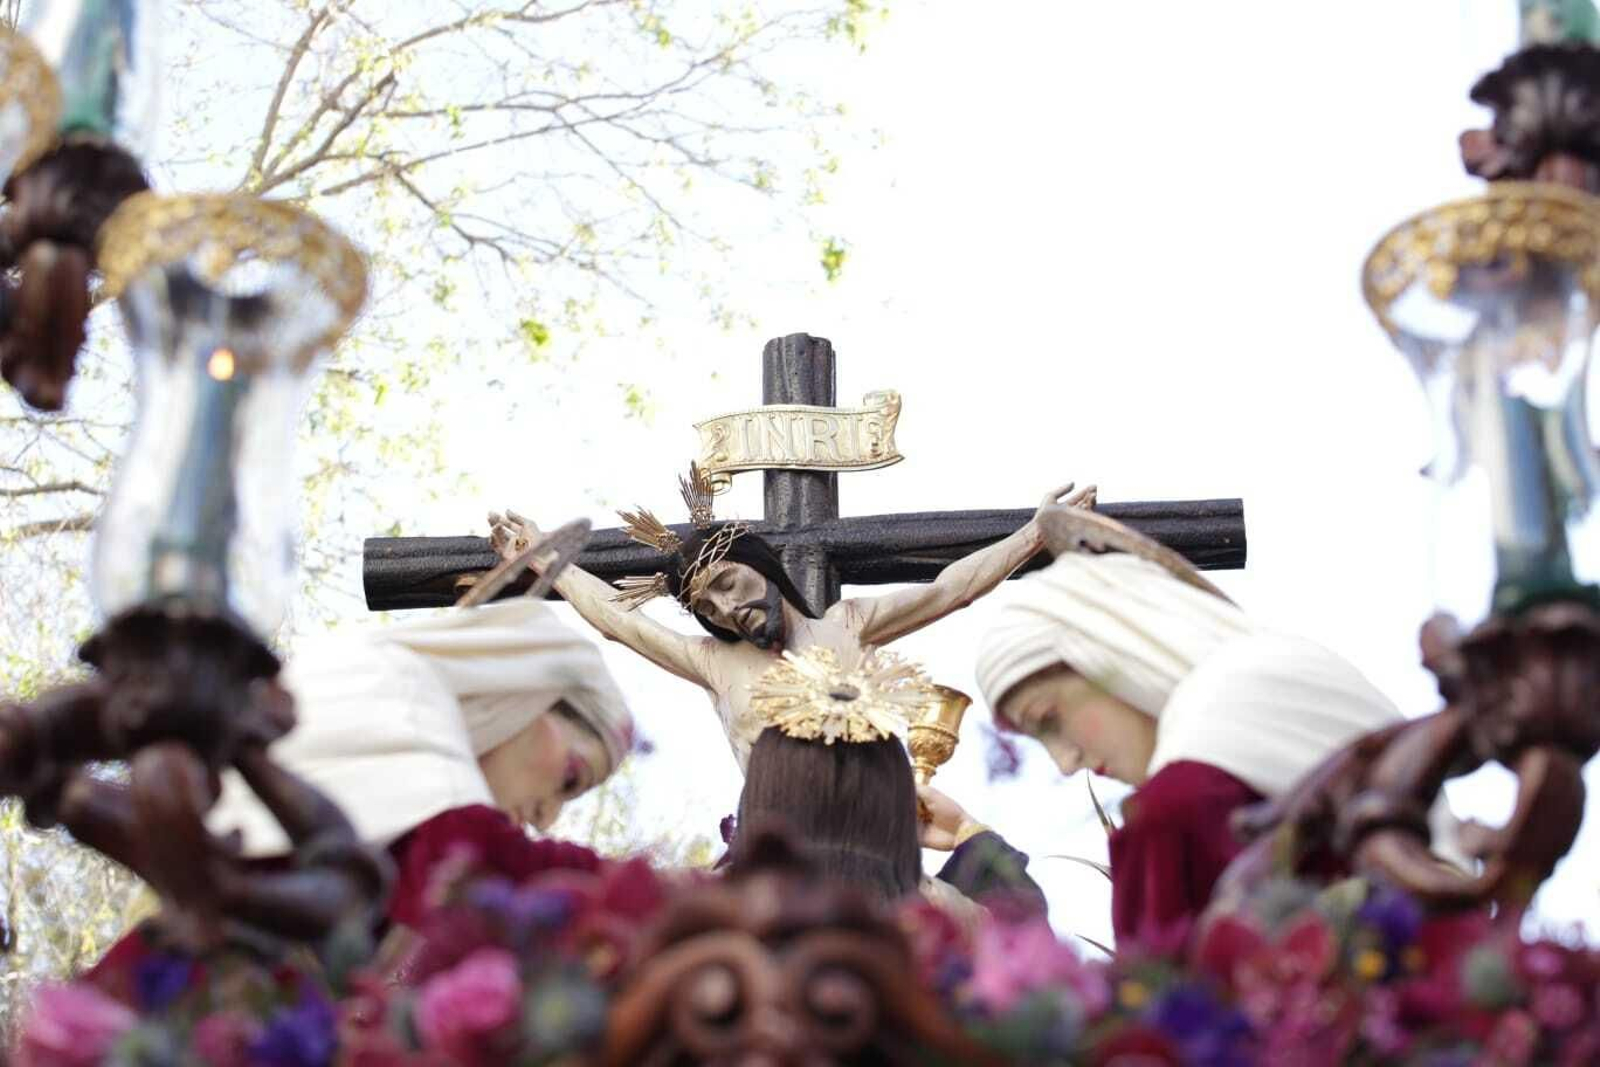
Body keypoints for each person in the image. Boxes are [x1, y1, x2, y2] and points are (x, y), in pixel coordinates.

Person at [90, 597, 634, 995]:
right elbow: (478, 861)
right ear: (533, 693)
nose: (547, 816)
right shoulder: (402, 692)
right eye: (570, 778)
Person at [489, 465, 1093, 772]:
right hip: (777, 856)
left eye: (728, 584)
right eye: (708, 608)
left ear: (760, 566)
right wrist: (549, 560)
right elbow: (619, 624)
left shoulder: (848, 623)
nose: (727, 609)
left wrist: (1036, 534)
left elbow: (951, 588)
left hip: (874, 832)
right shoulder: (714, 663)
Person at [974, 542, 1411, 948]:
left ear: (1112, 651)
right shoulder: (1288, 668)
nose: (1066, 762)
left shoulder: (1173, 812)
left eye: (1050, 719)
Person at [723, 649, 1047, 921]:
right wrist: (966, 830)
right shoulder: (939, 920)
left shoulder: (699, 909)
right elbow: (1030, 960)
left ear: (759, 796)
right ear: (892, 806)